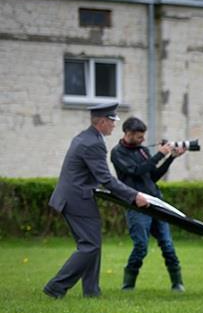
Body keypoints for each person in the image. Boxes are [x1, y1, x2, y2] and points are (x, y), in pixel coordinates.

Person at [43, 103, 149, 299]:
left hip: (73, 197)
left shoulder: (86, 137)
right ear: (102, 121)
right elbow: (106, 179)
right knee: (90, 246)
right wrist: (134, 196)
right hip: (77, 200)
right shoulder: (93, 143)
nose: (114, 125)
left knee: (92, 245)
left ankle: (91, 291)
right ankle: (56, 287)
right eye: (112, 121)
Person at [110, 117, 187, 292]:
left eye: (143, 136)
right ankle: (128, 285)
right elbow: (137, 172)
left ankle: (177, 283)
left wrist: (170, 157)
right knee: (141, 246)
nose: (143, 140)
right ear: (128, 134)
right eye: (139, 137)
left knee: (167, 245)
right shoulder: (117, 153)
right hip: (136, 205)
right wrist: (160, 154)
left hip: (156, 202)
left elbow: (152, 175)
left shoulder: (143, 150)